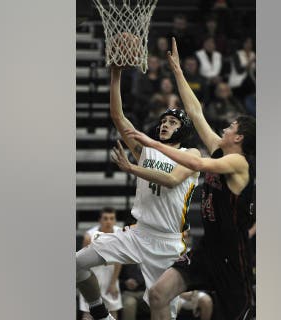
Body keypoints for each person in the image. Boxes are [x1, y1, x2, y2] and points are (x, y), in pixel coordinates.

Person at [123, 38, 256, 320]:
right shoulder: (222, 149)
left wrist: (153, 143)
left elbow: (196, 162)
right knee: (158, 295)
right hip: (207, 249)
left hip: (234, 258)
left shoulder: (238, 162)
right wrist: (178, 71)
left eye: (231, 126)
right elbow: (196, 113)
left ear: (240, 137)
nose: (224, 126)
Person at [75, 63, 201, 320]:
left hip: (168, 243)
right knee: (76, 263)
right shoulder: (147, 150)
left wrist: (132, 168)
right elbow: (118, 116)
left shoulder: (191, 155)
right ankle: (100, 313)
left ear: (184, 129)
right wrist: (116, 73)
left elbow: (171, 180)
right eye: (164, 121)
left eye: (173, 122)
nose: (165, 124)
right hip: (138, 233)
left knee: (160, 307)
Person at [79, 208, 124, 320]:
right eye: (105, 218)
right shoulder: (89, 236)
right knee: (88, 312)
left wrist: (113, 283)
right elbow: (82, 263)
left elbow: (119, 261)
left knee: (113, 311)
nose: (108, 221)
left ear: (115, 220)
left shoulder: (120, 233)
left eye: (111, 218)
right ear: (100, 220)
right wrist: (86, 284)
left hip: (111, 277)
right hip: (92, 276)